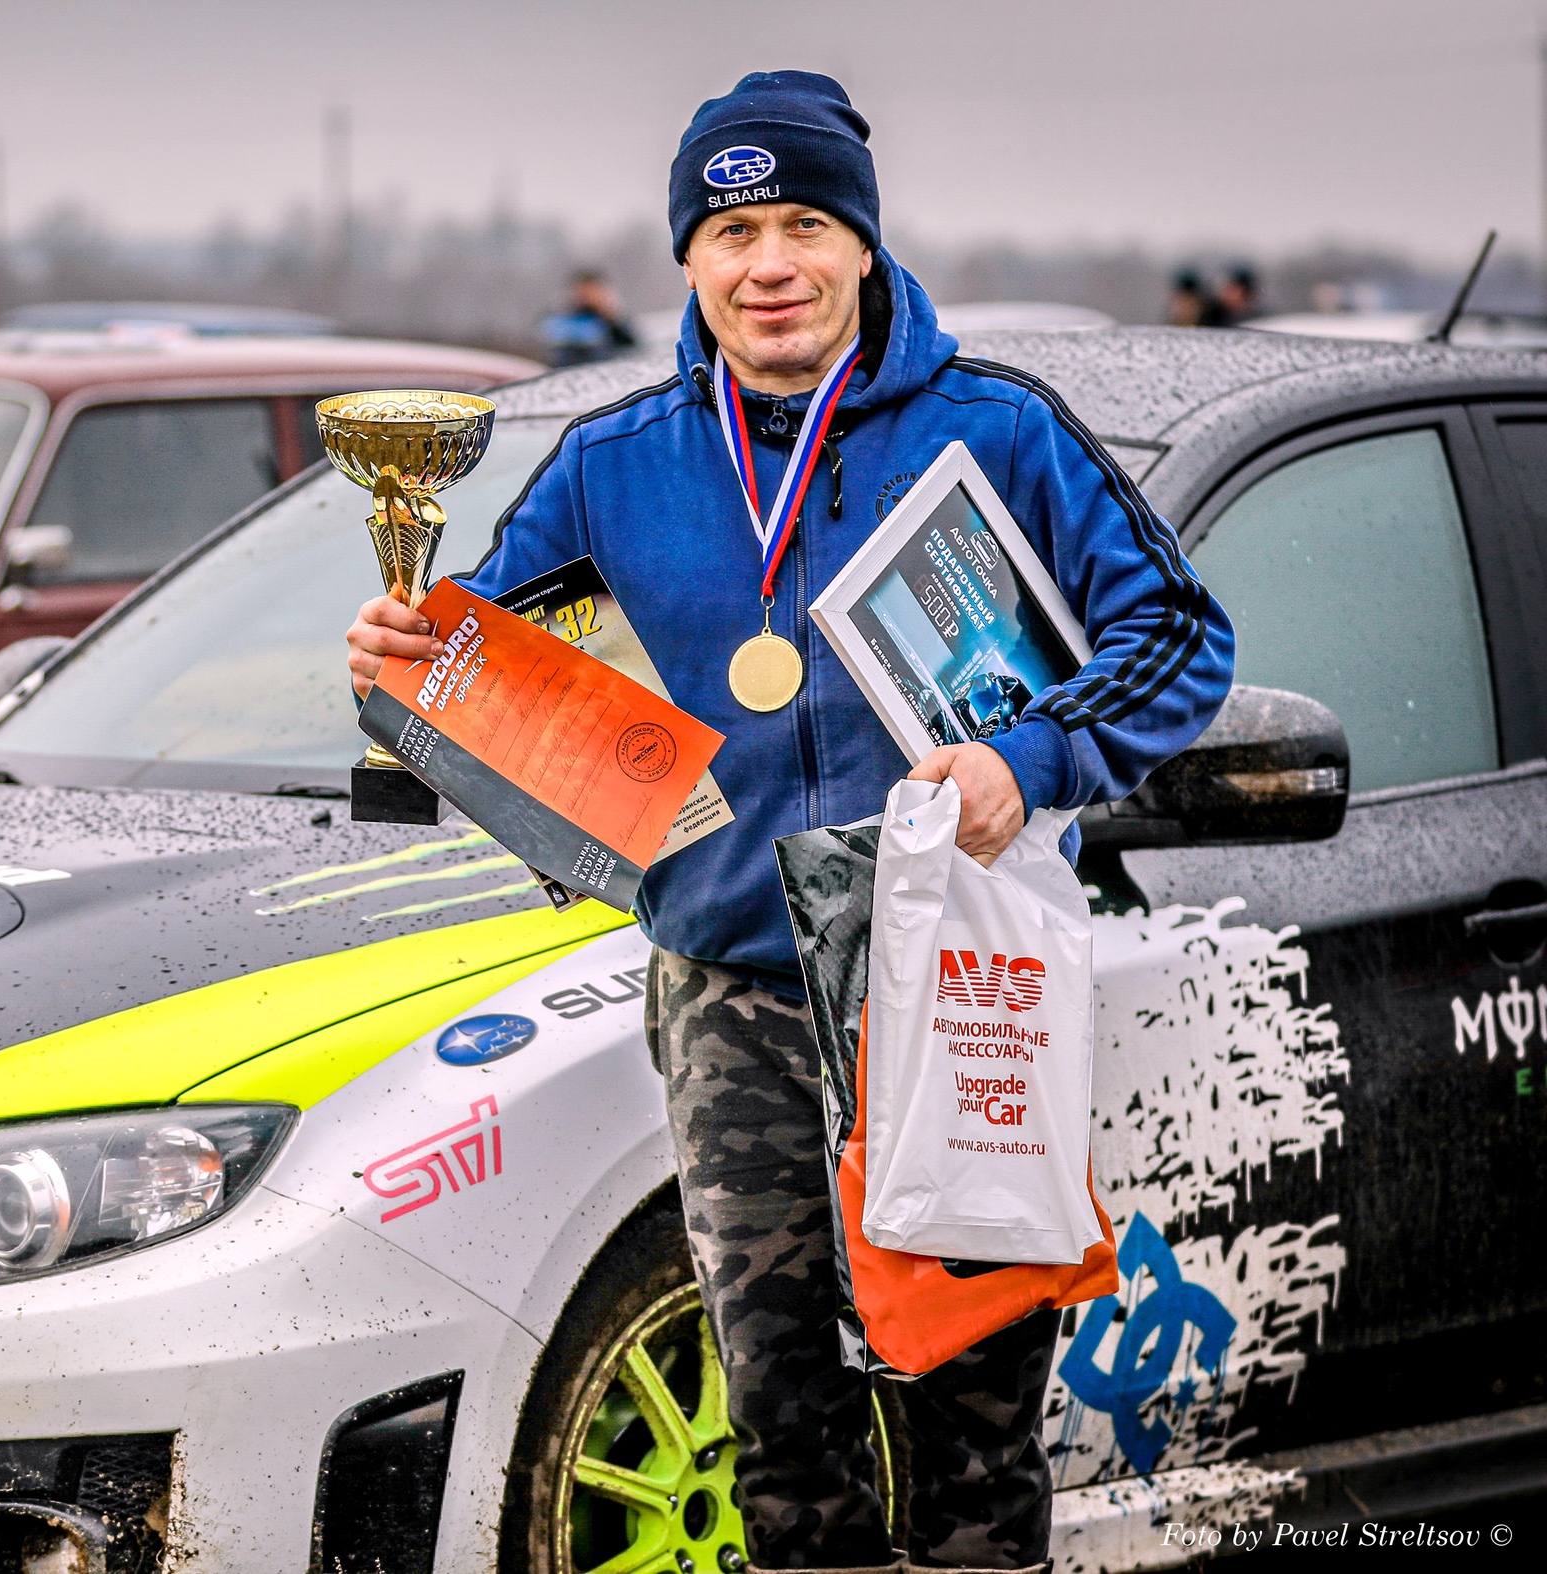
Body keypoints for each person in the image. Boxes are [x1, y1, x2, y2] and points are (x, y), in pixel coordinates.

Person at [347, 70, 1232, 1573]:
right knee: (781, 1412)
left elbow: (1180, 637)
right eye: (734, 227)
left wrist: (1033, 757)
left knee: (972, 1408)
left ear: (865, 246)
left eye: (806, 223)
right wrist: (407, 668)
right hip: (734, 992)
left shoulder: (1000, 430)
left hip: (961, 989)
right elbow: (505, 671)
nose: (772, 264)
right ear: (687, 259)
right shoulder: (613, 466)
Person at [540, 268, 642, 365]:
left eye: (593, 292)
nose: (589, 297)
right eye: (584, 292)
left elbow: (631, 347)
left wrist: (612, 318)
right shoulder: (560, 319)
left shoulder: (610, 319)